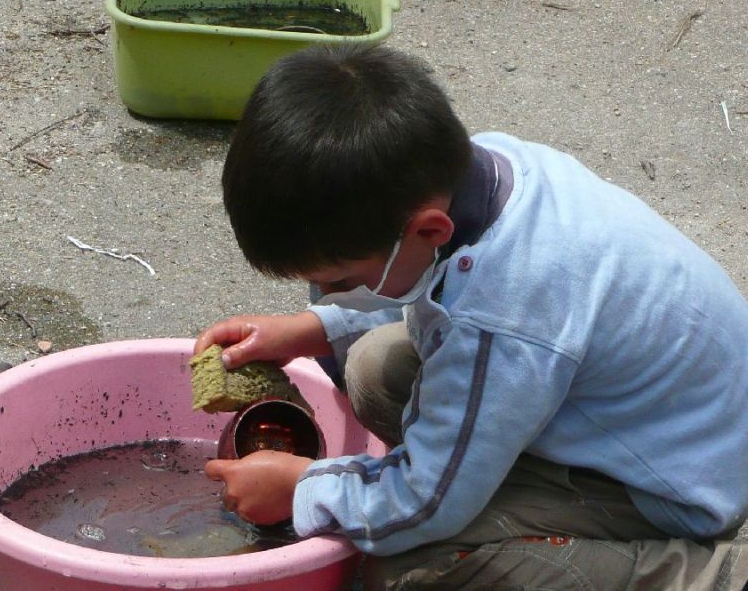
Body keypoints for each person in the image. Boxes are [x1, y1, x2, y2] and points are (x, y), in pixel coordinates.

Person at [195, 43, 748, 590]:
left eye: (341, 282)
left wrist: (302, 490)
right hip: (652, 413)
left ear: (429, 230)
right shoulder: (478, 169)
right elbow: (437, 288)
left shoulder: (506, 311)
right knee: (370, 367)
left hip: (673, 486)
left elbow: (427, 502)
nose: (326, 295)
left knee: (412, 570)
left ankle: (702, 576)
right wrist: (313, 333)